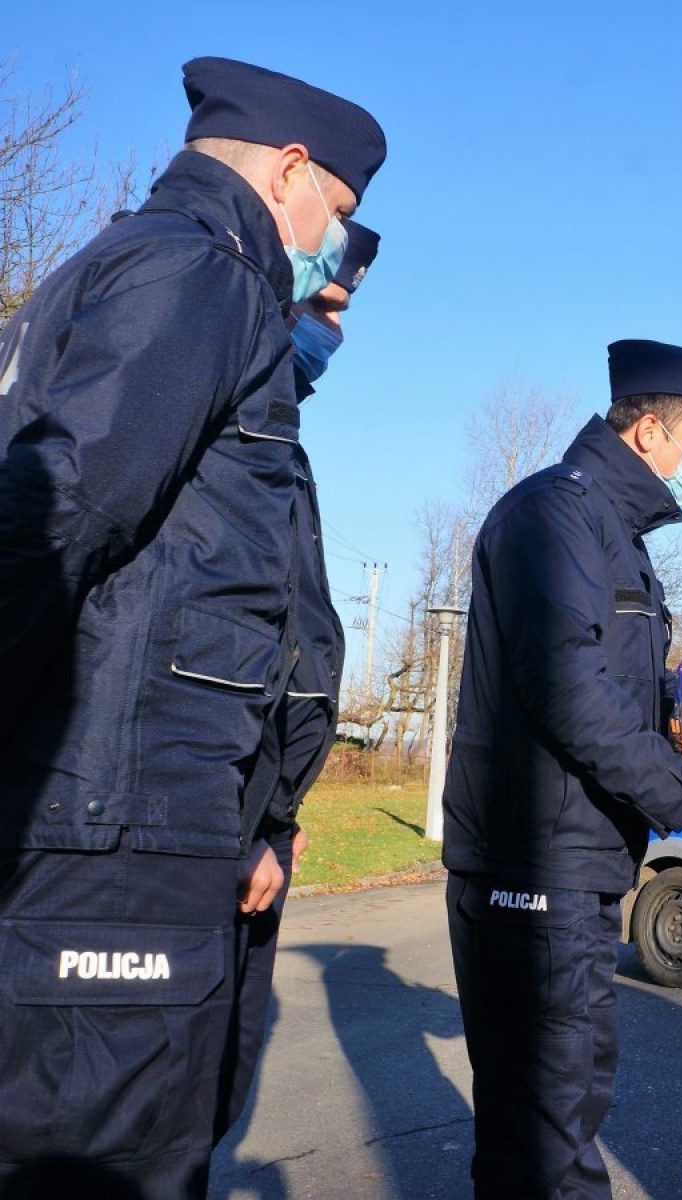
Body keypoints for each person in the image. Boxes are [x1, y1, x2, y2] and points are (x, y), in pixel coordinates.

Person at [0, 57, 385, 1198]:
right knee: (111, 1164)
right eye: (338, 213)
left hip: (117, 818)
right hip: (117, 828)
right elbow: (58, 520)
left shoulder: (125, 263)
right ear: (289, 172)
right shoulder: (205, 275)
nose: (333, 250)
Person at [443, 339, 682, 1198]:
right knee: (546, 1138)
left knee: (559, 1116)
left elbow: (622, 694)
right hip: (531, 868)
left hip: (577, 869)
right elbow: (567, 688)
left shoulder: (616, 538)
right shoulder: (553, 516)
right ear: (648, 431)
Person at [214, 221, 382, 1144]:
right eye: (323, 305)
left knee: (210, 1099)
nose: (334, 332)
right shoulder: (220, 425)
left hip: (255, 829)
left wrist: (277, 812)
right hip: (213, 833)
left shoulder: (280, 441)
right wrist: (241, 824)